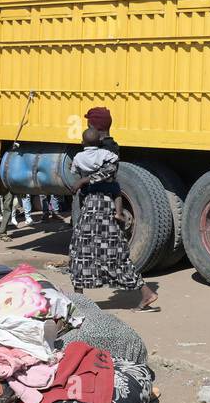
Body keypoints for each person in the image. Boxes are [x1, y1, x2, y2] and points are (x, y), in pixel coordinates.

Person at [67, 107, 159, 310]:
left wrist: (83, 180)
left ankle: (144, 293)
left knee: (97, 251)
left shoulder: (108, 149)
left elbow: (109, 173)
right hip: (100, 204)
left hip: (98, 206)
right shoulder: (105, 147)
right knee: (90, 249)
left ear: (93, 126)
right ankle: (79, 298)